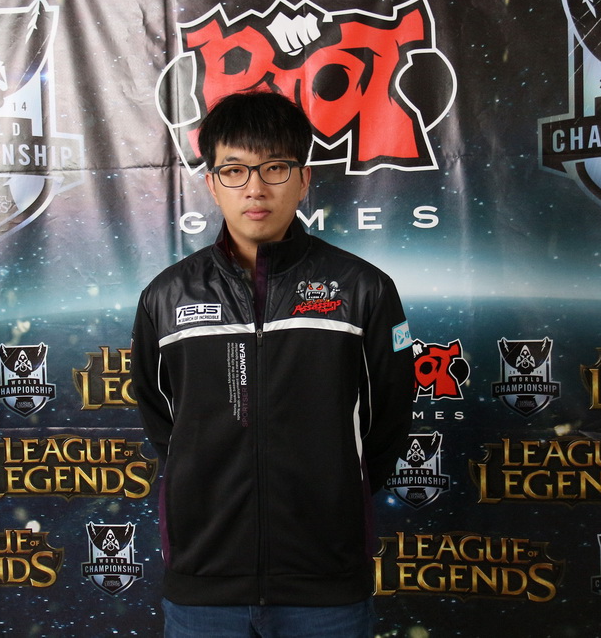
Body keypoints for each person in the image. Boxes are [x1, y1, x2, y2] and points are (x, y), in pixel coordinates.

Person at [131, 91, 414, 638]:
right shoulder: (165, 297)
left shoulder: (364, 289)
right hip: (205, 581)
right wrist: (204, 480)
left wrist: (336, 490)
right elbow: (161, 417)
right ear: (212, 183)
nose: (255, 189)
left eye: (275, 168)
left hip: (325, 582)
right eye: (234, 170)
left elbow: (390, 415)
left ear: (304, 179)